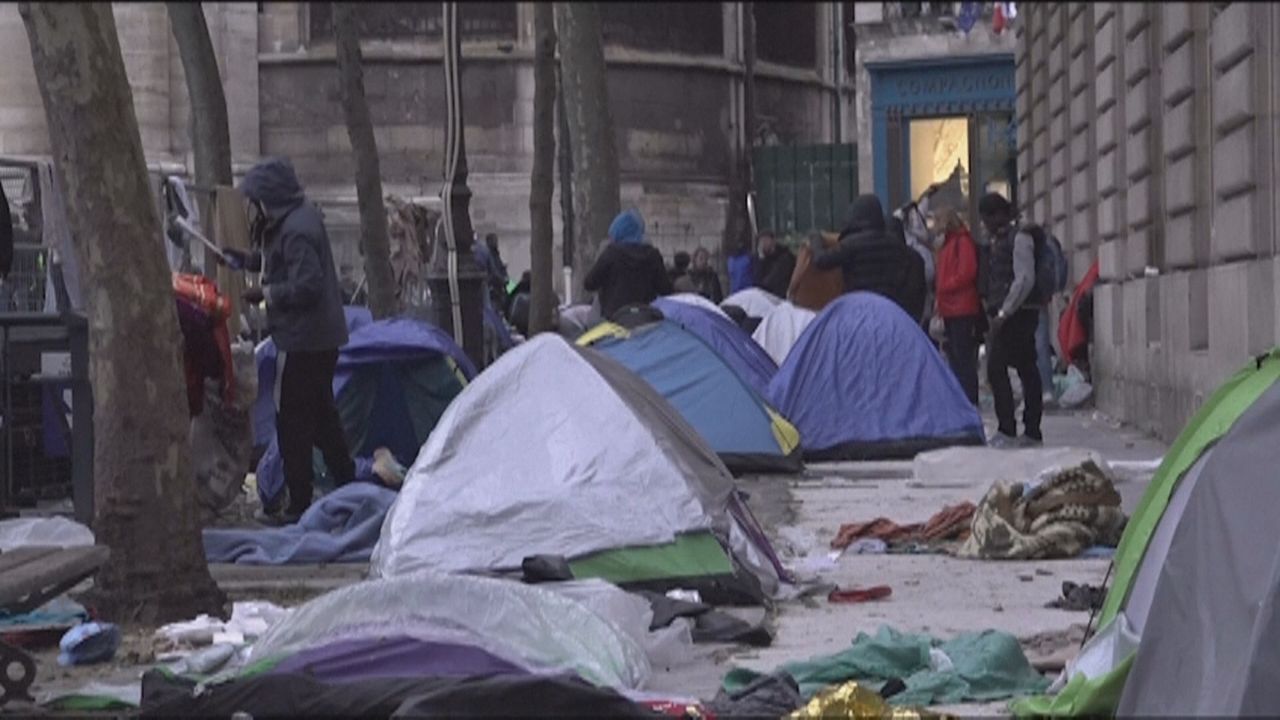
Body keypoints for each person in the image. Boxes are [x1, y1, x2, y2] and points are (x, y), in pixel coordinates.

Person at [226, 157, 355, 524]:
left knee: (293, 420)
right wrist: (248, 261)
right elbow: (281, 262)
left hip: (304, 341)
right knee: (322, 417)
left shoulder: (296, 229)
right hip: (318, 339)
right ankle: (345, 484)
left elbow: (307, 285)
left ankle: (299, 501)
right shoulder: (298, 220)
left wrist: (266, 294)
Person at [978, 192, 1043, 448]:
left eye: (987, 219)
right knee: (1025, 368)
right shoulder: (1002, 238)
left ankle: (1011, 428)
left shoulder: (1020, 237)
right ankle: (1029, 429)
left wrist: (1005, 312)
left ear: (999, 214)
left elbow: (1024, 278)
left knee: (1000, 367)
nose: (985, 225)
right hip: (1011, 312)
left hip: (1018, 313)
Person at [816, 194, 925, 320]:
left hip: (859, 308)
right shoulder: (897, 246)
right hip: (890, 309)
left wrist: (816, 239)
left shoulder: (852, 243)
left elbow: (821, 261)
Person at [583, 209, 673, 320]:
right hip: (645, 318)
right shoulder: (652, 255)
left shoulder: (611, 254)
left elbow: (589, 283)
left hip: (614, 318)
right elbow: (665, 289)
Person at [934, 208, 981, 405]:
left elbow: (966, 272)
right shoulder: (950, 244)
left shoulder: (960, 242)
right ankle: (963, 396)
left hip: (960, 306)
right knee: (956, 355)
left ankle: (968, 397)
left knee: (962, 356)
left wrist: (944, 286)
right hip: (952, 306)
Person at [753, 231, 796, 299]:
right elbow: (757, 279)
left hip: (781, 296)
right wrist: (761, 260)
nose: (763, 244)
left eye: (766, 240)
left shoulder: (785, 257)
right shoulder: (761, 259)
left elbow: (771, 280)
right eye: (761, 241)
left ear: (773, 241)